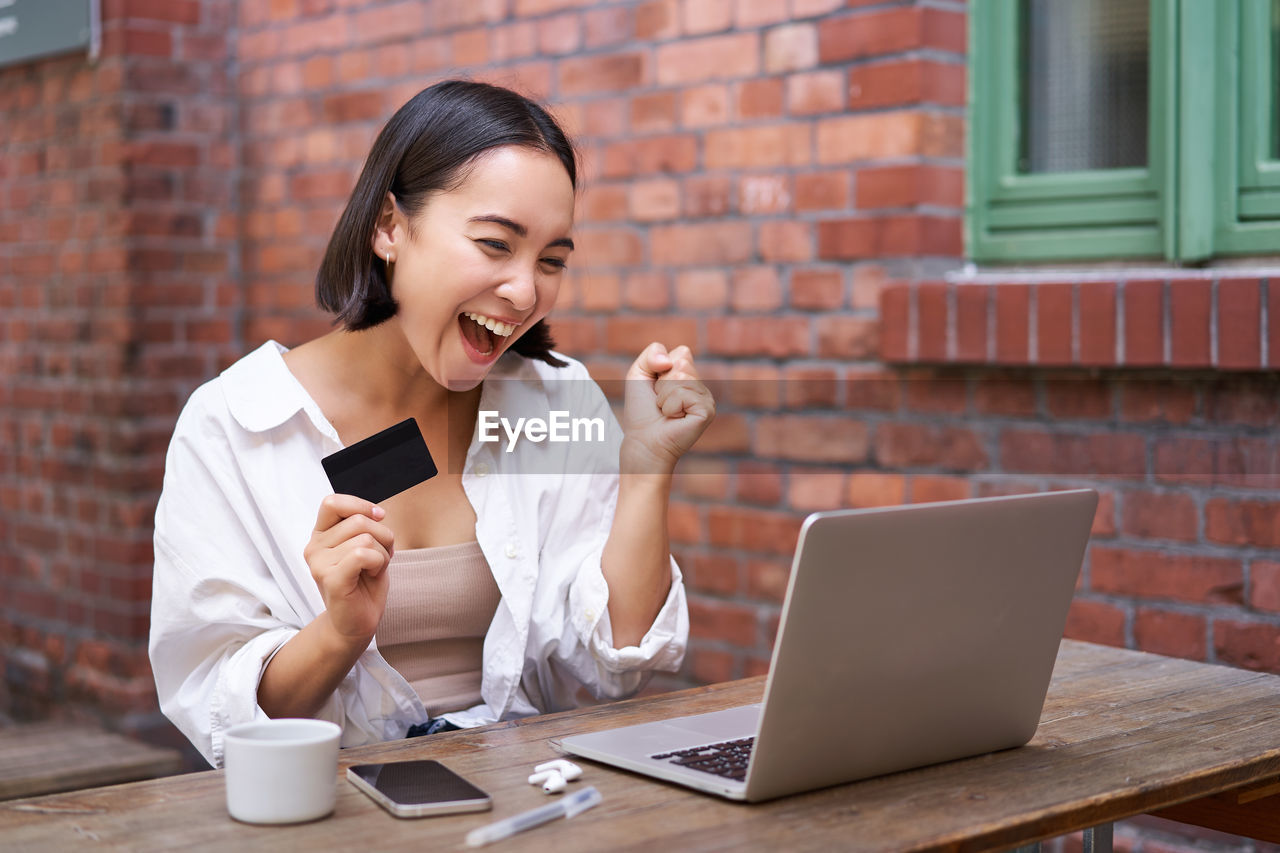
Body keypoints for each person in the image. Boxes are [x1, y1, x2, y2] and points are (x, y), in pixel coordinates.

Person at [148, 79, 713, 768]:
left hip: (527, 795)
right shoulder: (235, 424)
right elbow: (218, 710)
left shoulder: (555, 405)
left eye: (552, 260)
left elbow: (611, 668)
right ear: (390, 227)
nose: (526, 290)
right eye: (495, 243)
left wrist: (647, 469)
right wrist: (338, 633)